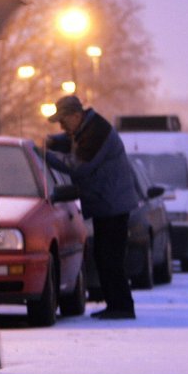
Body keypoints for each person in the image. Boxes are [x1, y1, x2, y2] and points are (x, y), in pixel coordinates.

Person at [45, 95, 138, 319]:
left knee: (110, 257)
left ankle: (122, 307)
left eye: (64, 121)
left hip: (112, 204)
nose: (62, 126)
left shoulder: (97, 133)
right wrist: (54, 141)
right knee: (104, 255)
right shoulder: (88, 129)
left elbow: (80, 167)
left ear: (77, 115)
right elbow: (73, 142)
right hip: (106, 203)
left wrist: (47, 155)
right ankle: (116, 304)